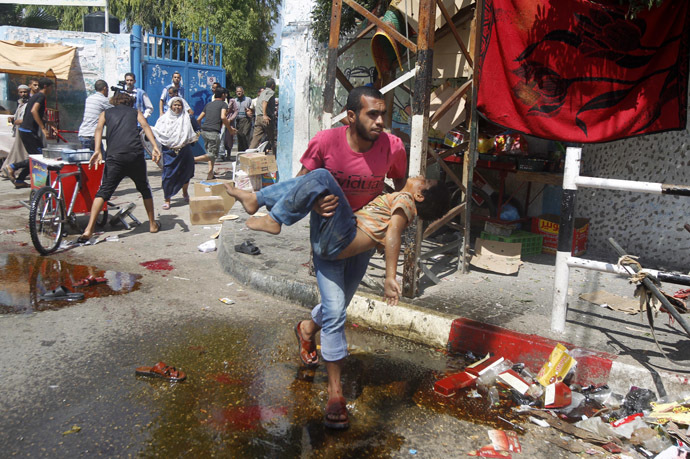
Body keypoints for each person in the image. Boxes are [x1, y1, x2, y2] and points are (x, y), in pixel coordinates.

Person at [263, 86, 409, 429]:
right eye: (372, 114)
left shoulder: (392, 146)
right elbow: (302, 184)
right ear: (351, 116)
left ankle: (305, 328)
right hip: (328, 237)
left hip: (362, 239)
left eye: (383, 114)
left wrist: (388, 210)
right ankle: (334, 393)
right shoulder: (326, 141)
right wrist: (314, 203)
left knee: (336, 306)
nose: (380, 121)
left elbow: (399, 186)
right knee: (336, 311)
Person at [226, 169, 449, 303]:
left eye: (425, 180)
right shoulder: (401, 202)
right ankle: (257, 199)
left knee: (322, 175)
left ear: (419, 195)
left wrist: (390, 276)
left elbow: (393, 234)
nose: (420, 175)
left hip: (340, 239)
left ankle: (273, 217)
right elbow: (384, 231)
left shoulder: (405, 201)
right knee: (315, 179)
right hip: (331, 244)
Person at [78, 91, 162, 242]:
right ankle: (152, 225)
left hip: (115, 157)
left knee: (103, 191)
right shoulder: (135, 112)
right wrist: (155, 146)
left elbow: (98, 129)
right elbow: (145, 126)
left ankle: (88, 229)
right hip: (135, 155)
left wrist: (97, 150)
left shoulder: (105, 113)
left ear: (114, 101)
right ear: (129, 102)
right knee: (144, 189)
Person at [5, 77, 56, 188]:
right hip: (28, 131)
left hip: (26, 130)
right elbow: (34, 111)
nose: (52, 89)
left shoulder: (36, 96)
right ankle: (13, 167)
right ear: (46, 87)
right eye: (51, 87)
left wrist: (49, 124)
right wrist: (43, 128)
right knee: (40, 157)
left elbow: (32, 115)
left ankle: (19, 180)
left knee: (36, 157)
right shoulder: (41, 96)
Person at [151, 97, 196, 209]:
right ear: (170, 106)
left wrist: (191, 139)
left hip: (185, 150)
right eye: (174, 105)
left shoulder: (188, 118)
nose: (177, 107)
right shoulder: (163, 120)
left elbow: (198, 130)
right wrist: (155, 148)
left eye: (179, 105)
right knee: (168, 175)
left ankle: (185, 193)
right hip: (169, 151)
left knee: (187, 173)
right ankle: (167, 199)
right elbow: (157, 134)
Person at [195, 87, 235, 180]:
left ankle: (210, 173)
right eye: (225, 94)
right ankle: (191, 160)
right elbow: (223, 117)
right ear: (223, 95)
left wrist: (201, 129)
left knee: (210, 153)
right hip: (213, 132)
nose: (226, 96)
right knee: (213, 155)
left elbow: (198, 119)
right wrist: (230, 129)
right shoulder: (223, 104)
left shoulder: (208, 104)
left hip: (204, 132)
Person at [1, 85, 30, 181]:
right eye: (21, 92)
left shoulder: (29, 103)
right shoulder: (20, 103)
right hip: (20, 130)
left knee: (24, 152)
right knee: (18, 150)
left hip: (26, 130)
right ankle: (11, 169)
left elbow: (26, 117)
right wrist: (13, 118)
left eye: (25, 92)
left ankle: (13, 169)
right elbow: (18, 114)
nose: (23, 94)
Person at [77, 80, 112, 151]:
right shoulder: (103, 100)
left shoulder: (89, 98)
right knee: (101, 159)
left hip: (83, 133)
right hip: (92, 135)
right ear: (105, 88)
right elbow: (116, 111)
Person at [249, 78, 276, 150]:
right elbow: (265, 102)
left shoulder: (262, 92)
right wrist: (265, 115)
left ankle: (249, 154)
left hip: (258, 118)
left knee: (255, 139)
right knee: (274, 139)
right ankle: (276, 157)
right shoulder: (270, 92)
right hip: (266, 118)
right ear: (272, 85)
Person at [233, 86, 252, 152]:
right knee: (240, 136)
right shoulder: (234, 101)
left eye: (240, 91)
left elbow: (252, 108)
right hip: (238, 120)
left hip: (246, 119)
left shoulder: (248, 99)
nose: (239, 93)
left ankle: (247, 150)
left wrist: (249, 111)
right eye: (237, 92)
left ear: (243, 92)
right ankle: (241, 152)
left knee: (245, 135)